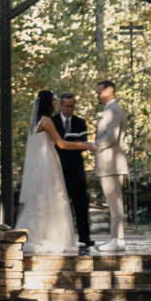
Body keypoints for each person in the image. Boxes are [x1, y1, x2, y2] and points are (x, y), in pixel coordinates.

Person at [16, 88, 83, 255]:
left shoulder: (36, 122)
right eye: (53, 100)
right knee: (51, 196)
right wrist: (85, 145)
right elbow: (61, 144)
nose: (55, 102)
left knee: (41, 198)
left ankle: (38, 234)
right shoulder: (46, 121)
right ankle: (50, 237)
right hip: (47, 162)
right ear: (48, 103)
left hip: (42, 162)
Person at [55, 92, 93, 253]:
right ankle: (60, 237)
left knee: (81, 203)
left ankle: (84, 236)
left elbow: (83, 143)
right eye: (67, 106)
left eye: (72, 106)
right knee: (59, 204)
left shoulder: (80, 122)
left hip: (76, 168)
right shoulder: (53, 121)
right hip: (58, 168)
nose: (70, 109)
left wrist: (79, 144)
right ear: (61, 105)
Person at [94, 78, 128, 249]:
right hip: (110, 164)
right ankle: (114, 237)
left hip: (111, 164)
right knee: (114, 202)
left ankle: (118, 239)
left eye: (99, 92)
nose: (98, 95)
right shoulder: (112, 109)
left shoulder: (113, 110)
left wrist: (94, 146)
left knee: (115, 203)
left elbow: (111, 137)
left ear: (108, 92)